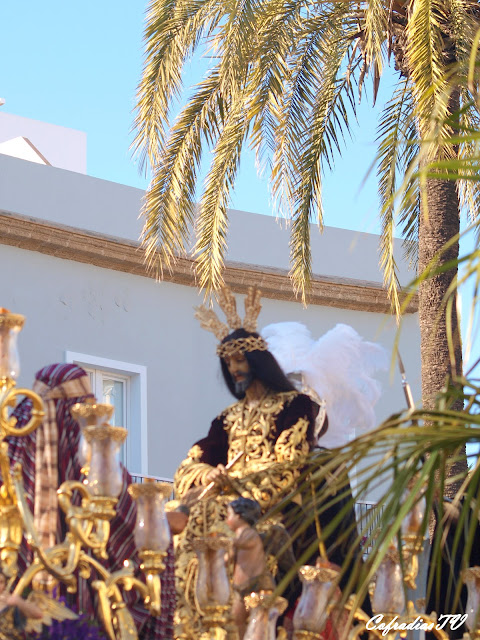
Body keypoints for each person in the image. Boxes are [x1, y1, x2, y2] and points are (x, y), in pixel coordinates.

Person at [174, 287, 320, 638]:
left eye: (239, 361)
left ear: (257, 362)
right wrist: (209, 474)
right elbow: (189, 464)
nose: (234, 369)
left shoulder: (295, 406)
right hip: (223, 503)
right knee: (183, 524)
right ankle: (187, 617)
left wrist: (236, 484)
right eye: (229, 364)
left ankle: (232, 620)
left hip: (270, 507)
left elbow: (288, 466)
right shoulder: (226, 418)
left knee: (231, 528)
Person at [7, 363, 177, 640]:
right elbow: (142, 534)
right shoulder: (101, 471)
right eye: (84, 410)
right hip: (84, 613)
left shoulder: (12, 453)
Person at [226, 497, 275, 639]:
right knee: (235, 619)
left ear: (239, 516)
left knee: (257, 622)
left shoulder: (250, 534)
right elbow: (228, 558)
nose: (226, 520)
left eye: (229, 515)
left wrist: (226, 542)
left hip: (256, 585)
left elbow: (243, 543)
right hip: (241, 587)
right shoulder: (239, 536)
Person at [0, 570, 42, 640]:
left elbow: (38, 614)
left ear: (5, 585)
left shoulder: (13, 602)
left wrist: (18, 602)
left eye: (1, 582)